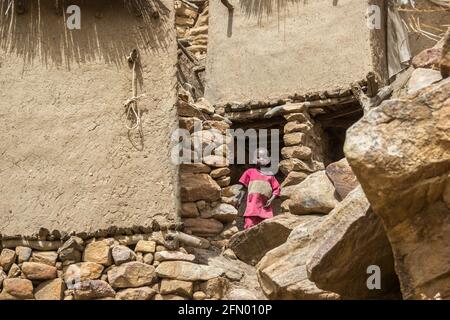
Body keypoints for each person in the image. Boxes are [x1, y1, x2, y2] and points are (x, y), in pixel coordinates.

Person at [236, 148, 281, 229]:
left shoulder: (270, 176)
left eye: (264, 157)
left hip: (265, 207)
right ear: (253, 160)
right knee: (249, 225)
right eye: (258, 157)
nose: (261, 159)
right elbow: (244, 187)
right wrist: (240, 199)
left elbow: (277, 189)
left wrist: (271, 200)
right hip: (252, 206)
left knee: (266, 228)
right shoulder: (250, 172)